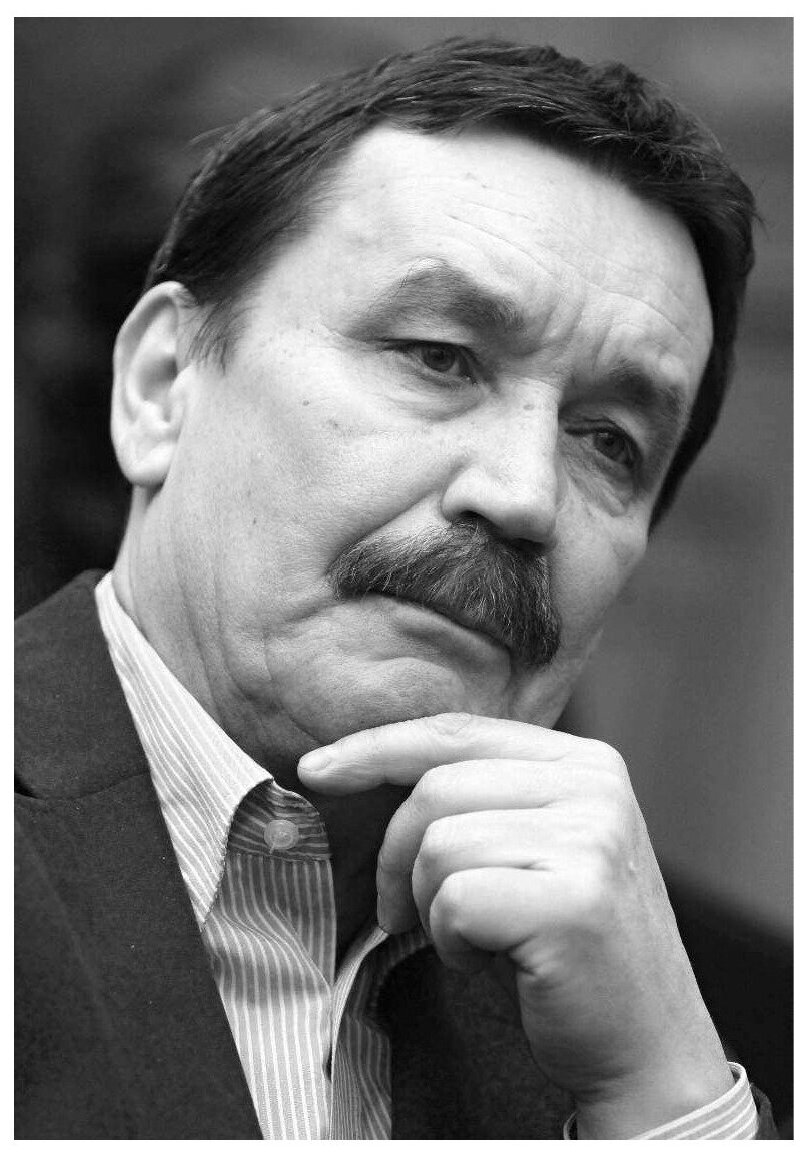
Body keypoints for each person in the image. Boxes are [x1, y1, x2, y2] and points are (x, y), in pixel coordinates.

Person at [15, 37, 777, 1139]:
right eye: (436, 355)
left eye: (609, 441)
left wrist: (666, 1107)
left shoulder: (665, 1029)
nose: (523, 493)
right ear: (162, 385)